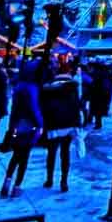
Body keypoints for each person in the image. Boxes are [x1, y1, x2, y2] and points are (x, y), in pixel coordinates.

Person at [1, 60, 44, 199]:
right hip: (29, 126)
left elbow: (14, 109)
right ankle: (17, 186)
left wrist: (11, 126)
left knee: (15, 156)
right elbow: (34, 109)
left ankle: (7, 181)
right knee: (24, 157)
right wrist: (40, 123)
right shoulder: (31, 89)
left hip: (17, 125)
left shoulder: (18, 88)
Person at [40, 64, 81, 192]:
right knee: (65, 153)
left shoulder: (49, 87)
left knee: (51, 153)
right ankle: (64, 181)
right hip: (69, 124)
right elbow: (77, 105)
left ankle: (49, 179)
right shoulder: (73, 87)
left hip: (53, 124)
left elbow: (43, 107)